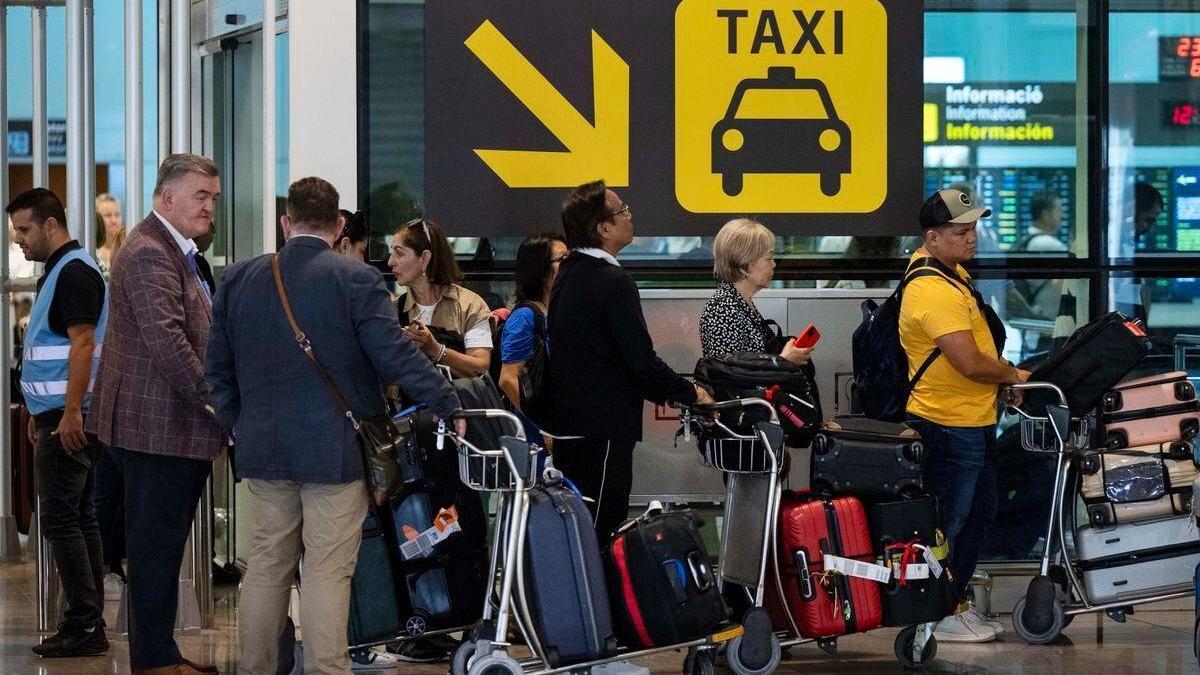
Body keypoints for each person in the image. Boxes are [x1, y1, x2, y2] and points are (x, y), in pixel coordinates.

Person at [205, 177, 463, 675]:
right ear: (339, 224)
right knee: (326, 571)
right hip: (335, 453)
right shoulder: (356, 280)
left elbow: (216, 369)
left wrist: (241, 423)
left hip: (264, 453)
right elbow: (393, 356)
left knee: (266, 567)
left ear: (286, 222)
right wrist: (446, 400)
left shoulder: (238, 279)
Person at [85, 153, 227, 675]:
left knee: (158, 547)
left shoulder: (174, 249)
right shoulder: (150, 251)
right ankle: (155, 660)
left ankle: (158, 653)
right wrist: (217, 399)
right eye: (201, 196)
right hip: (157, 427)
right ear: (167, 198)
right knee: (155, 549)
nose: (211, 206)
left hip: (164, 426)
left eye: (214, 197)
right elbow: (168, 341)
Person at [547, 180, 713, 543]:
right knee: (601, 529)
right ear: (603, 228)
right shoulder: (612, 280)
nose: (630, 215)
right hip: (602, 429)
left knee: (576, 528)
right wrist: (692, 394)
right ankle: (600, 599)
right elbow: (639, 360)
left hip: (571, 427)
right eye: (622, 210)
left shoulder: (569, 274)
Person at [899, 188, 1031, 644]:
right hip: (947, 426)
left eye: (973, 227)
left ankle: (951, 602)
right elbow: (970, 362)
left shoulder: (951, 273)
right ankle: (934, 613)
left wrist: (1001, 387)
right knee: (947, 523)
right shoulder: (932, 289)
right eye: (961, 231)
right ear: (932, 237)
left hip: (971, 420)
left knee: (978, 513)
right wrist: (1014, 374)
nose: (972, 238)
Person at [6, 188, 109, 658]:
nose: (19, 240)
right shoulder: (63, 272)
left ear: (51, 225)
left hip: (73, 419)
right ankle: (88, 624)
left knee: (64, 521)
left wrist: (68, 413)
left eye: (25, 230)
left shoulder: (73, 273)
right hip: (61, 416)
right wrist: (40, 411)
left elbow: (83, 344)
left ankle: (84, 624)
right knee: (78, 519)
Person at [388, 218, 492, 379]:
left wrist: (436, 350)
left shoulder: (470, 305)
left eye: (399, 253)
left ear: (424, 258)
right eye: (391, 252)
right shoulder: (393, 311)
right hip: (411, 404)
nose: (390, 262)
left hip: (463, 403)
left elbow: (480, 368)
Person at [699, 218, 814, 364]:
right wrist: (784, 361)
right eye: (769, 258)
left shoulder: (740, 302)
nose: (773, 264)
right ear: (744, 265)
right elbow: (731, 374)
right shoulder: (721, 310)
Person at [497, 233, 568, 445]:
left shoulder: (561, 310)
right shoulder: (524, 317)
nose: (569, 265)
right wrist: (544, 426)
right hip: (537, 435)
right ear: (540, 269)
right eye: (561, 260)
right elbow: (508, 380)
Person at [94, 193, 126, 277]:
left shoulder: (128, 248)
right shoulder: (91, 251)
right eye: (108, 215)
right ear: (97, 219)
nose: (114, 221)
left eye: (117, 215)